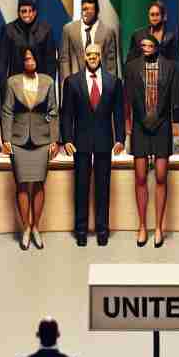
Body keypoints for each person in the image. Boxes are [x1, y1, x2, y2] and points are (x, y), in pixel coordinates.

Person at [60, 45, 125, 247]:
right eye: (89, 54)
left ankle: (102, 229)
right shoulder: (71, 82)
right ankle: (81, 230)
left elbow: (119, 113)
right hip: (80, 143)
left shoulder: (113, 82)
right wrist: (67, 139)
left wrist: (120, 138)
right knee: (81, 187)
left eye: (96, 54)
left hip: (105, 141)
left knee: (103, 187)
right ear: (84, 56)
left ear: (101, 56)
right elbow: (67, 115)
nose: (93, 57)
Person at [2, 47, 59, 250]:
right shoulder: (12, 82)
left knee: (39, 184)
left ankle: (36, 227)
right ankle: (26, 227)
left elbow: (53, 110)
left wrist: (54, 139)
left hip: (42, 140)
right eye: (26, 58)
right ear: (22, 61)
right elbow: (7, 110)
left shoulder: (48, 81)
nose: (30, 61)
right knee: (22, 184)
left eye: (33, 58)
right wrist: (6, 138)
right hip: (18, 140)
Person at [124, 33, 178, 247]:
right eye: (142, 45)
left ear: (157, 47)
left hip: (163, 125)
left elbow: (175, 100)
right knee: (140, 177)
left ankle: (158, 227)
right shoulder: (131, 67)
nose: (145, 47)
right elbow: (127, 100)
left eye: (149, 45)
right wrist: (127, 128)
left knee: (162, 176)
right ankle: (142, 227)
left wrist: (176, 130)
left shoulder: (171, 66)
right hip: (139, 125)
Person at [59, 0, 120, 80]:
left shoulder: (108, 32)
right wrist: (66, 85)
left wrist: (111, 88)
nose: (86, 13)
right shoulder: (69, 30)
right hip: (76, 83)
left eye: (90, 11)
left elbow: (111, 64)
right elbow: (64, 60)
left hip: (100, 83)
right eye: (84, 9)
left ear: (97, 12)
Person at [0, 0, 53, 88]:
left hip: (40, 84)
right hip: (16, 83)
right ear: (18, 12)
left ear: (35, 13)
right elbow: (2, 62)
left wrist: (48, 86)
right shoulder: (8, 30)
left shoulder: (46, 30)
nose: (27, 14)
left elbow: (50, 62)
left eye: (30, 11)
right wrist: (4, 87)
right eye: (23, 11)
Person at [126, 0, 179, 70]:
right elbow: (130, 63)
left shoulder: (173, 36)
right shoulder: (138, 35)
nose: (154, 18)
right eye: (152, 15)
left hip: (166, 77)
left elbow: (178, 63)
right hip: (143, 77)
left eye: (157, 14)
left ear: (164, 16)